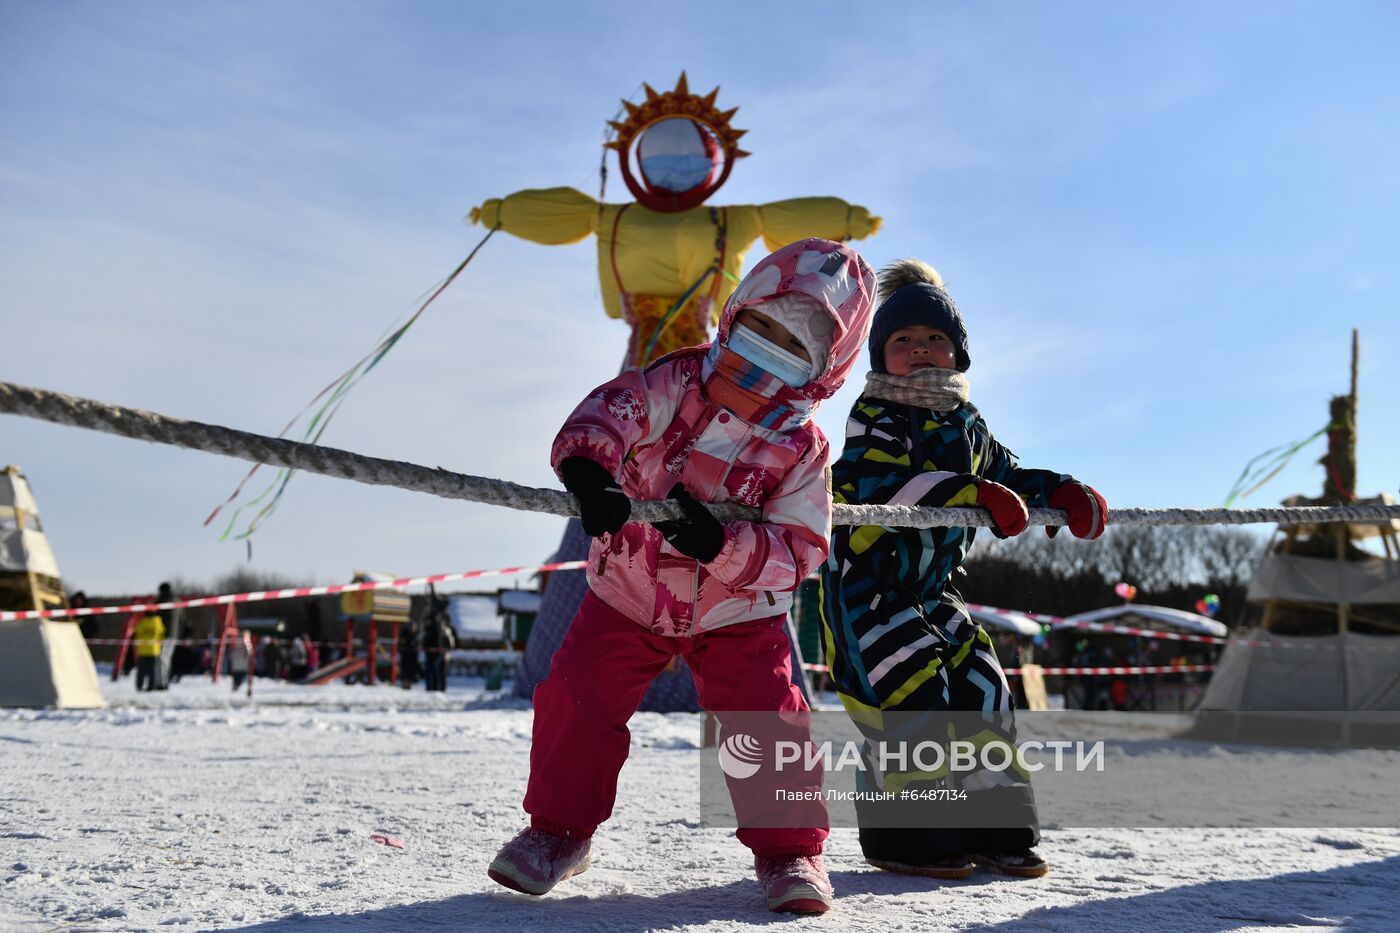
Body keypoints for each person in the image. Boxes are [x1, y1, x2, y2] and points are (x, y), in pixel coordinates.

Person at [487, 238, 876, 915]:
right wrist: (589, 466)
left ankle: (789, 848)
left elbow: (801, 546)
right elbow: (617, 407)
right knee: (575, 693)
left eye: (793, 342)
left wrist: (721, 542)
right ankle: (558, 830)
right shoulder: (680, 379)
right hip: (629, 589)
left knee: (770, 718)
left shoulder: (804, 449)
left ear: (826, 365)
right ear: (736, 312)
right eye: (760, 323)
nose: (767, 345)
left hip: (738, 612)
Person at [819, 258, 1108, 881]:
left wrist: (1061, 492)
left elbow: (1007, 474)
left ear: (958, 355)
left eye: (935, 340)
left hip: (935, 592)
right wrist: (968, 494)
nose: (920, 350)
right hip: (870, 591)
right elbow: (874, 484)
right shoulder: (877, 415)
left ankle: (995, 828)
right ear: (879, 354)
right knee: (916, 692)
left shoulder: (969, 425)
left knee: (982, 688)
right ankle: (912, 836)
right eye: (903, 341)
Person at [421, 602, 454, 692]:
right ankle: (431, 687)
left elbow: (449, 643)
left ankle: (439, 688)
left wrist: (445, 650)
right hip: (431, 653)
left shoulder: (442, 630)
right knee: (431, 672)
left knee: (439, 672)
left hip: (440, 654)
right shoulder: (430, 629)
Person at [132, 607, 165, 692]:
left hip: (142, 650)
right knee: (152, 670)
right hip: (154, 650)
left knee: (141, 670)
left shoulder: (142, 621)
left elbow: (136, 633)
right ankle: (151, 686)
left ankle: (139, 685)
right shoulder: (158, 622)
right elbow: (162, 634)